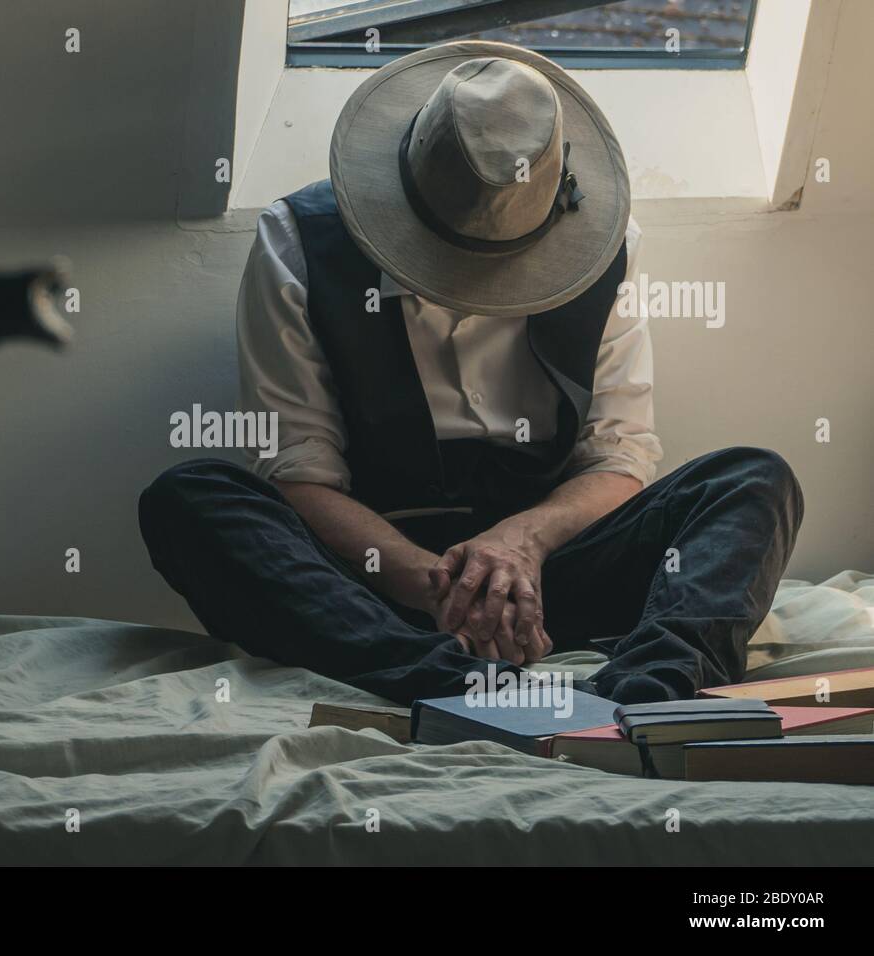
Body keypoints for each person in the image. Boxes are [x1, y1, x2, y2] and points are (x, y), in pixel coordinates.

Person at [140, 41, 802, 705]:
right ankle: (464, 686)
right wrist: (446, 587)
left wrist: (518, 547)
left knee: (751, 479)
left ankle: (646, 695)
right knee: (190, 500)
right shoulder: (296, 243)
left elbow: (619, 455)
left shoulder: (608, 248)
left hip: (552, 572)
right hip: (371, 587)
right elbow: (300, 474)